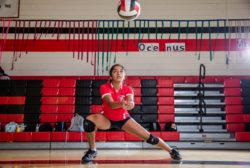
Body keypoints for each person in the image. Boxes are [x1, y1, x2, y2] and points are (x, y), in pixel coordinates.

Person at [81, 64, 181, 163]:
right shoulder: (104, 87)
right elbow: (111, 104)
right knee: (89, 121)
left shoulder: (128, 88)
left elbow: (131, 102)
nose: (118, 73)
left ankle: (171, 150)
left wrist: (130, 104)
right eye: (115, 71)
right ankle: (92, 150)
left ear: (124, 75)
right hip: (107, 119)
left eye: (121, 71)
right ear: (110, 76)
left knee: (150, 138)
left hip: (124, 119)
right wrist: (122, 103)